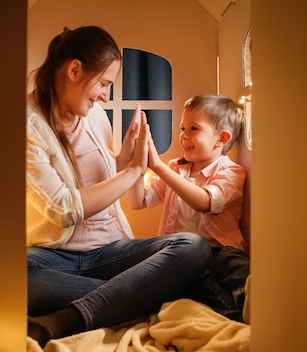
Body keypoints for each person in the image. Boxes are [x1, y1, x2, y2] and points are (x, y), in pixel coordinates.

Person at [25, 25, 211, 347]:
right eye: (104, 84)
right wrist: (135, 169)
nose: (106, 97)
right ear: (74, 70)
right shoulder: (27, 124)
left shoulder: (95, 115)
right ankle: (132, 295)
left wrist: (122, 159)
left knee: (193, 248)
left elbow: (94, 178)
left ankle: (66, 317)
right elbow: (64, 209)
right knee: (9, 276)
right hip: (52, 257)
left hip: (109, 253)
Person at [128, 93, 250, 322]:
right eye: (183, 128)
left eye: (193, 128)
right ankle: (228, 314)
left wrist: (159, 167)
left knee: (237, 265)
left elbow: (205, 202)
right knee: (200, 283)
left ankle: (250, 304)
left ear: (221, 138)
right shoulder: (177, 168)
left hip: (219, 250)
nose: (183, 136)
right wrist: (139, 168)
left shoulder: (231, 171)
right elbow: (138, 202)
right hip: (182, 254)